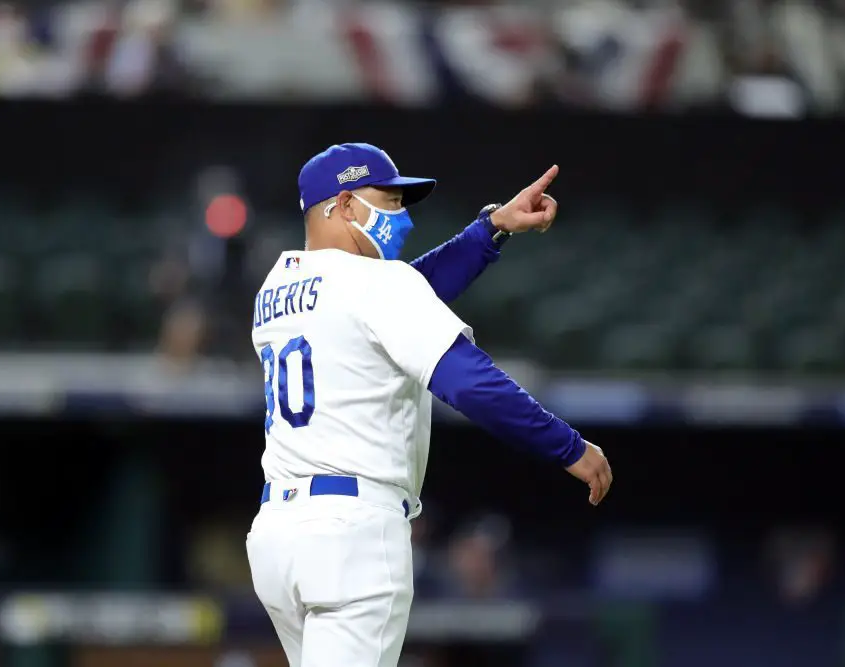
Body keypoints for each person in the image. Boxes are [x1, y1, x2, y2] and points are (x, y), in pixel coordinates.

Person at [246, 142, 612, 667]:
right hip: (354, 534)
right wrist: (569, 447)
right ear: (344, 205)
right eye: (388, 201)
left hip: (279, 538)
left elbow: (406, 294)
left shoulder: (277, 284)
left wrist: (491, 230)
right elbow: (470, 384)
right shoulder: (377, 287)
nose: (402, 218)